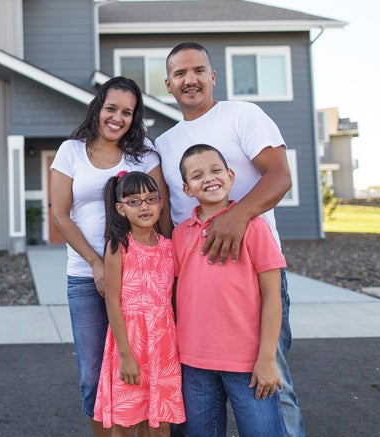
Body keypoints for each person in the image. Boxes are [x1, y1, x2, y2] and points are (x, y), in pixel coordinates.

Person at [154, 42, 305, 436]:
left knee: (272, 382)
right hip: (197, 288)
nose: (191, 79)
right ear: (168, 84)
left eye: (199, 70)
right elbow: (169, 215)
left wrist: (235, 217)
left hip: (250, 275)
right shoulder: (165, 144)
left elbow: (279, 175)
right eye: (181, 74)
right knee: (201, 395)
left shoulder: (243, 115)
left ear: (212, 76)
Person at [50, 76, 172, 436]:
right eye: (111, 109)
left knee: (143, 369)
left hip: (141, 281)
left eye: (127, 112)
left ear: (135, 118)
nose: (117, 118)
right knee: (92, 375)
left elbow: (160, 212)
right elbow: (60, 213)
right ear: (98, 108)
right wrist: (95, 262)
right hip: (87, 278)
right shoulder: (71, 151)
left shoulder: (144, 154)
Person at [173, 144, 287, 436]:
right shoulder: (180, 234)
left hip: (247, 363)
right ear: (187, 189)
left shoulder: (254, 227)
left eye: (215, 170)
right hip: (194, 362)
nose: (209, 178)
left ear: (231, 175)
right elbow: (176, 293)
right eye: (197, 175)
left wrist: (266, 359)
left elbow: (273, 296)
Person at [93, 170, 185, 436]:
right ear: (120, 209)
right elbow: (112, 300)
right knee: (126, 419)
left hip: (164, 345)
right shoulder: (117, 247)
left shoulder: (170, 247)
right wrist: (125, 355)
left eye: (150, 199)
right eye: (134, 201)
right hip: (130, 343)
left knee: (160, 420)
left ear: (161, 203)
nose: (144, 206)